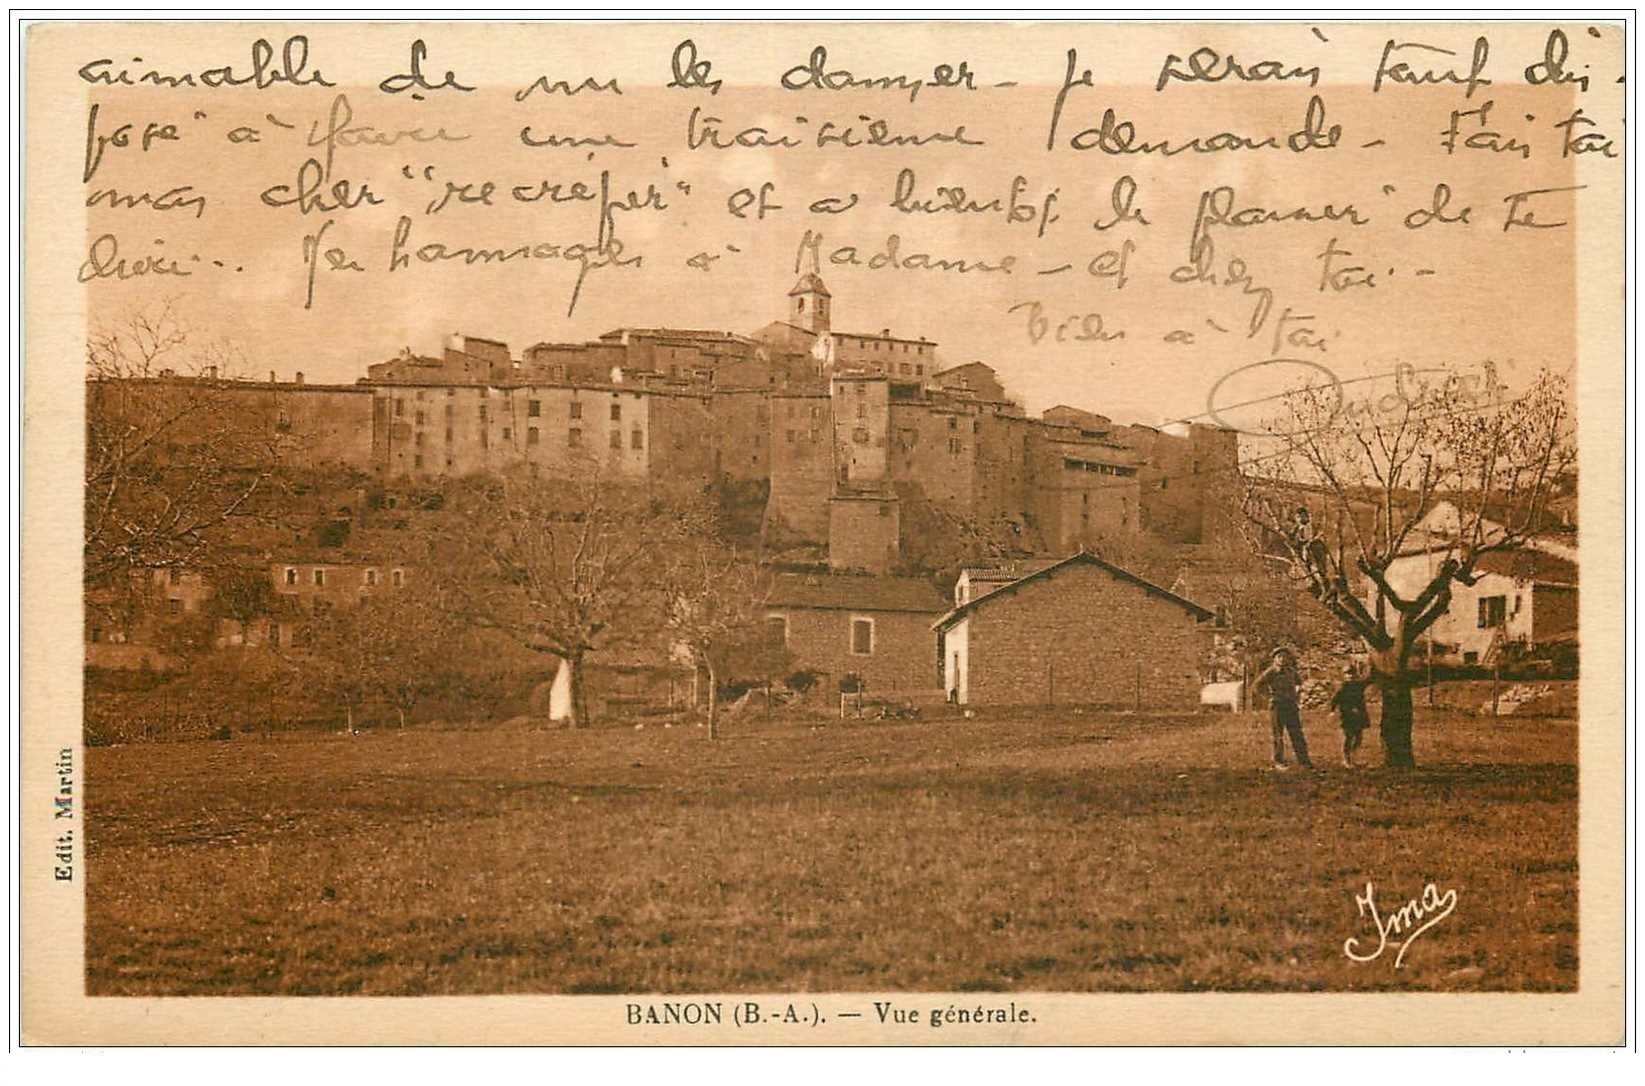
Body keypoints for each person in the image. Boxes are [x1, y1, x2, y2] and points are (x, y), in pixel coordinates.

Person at [1256, 646, 1312, 770]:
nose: (1282, 659)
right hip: (1277, 705)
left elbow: (1299, 682)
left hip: (1291, 705)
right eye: (1279, 657)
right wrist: (1268, 696)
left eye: (1285, 657)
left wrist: (1297, 692)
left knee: (1297, 733)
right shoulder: (1271, 672)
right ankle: (1279, 762)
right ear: (1274, 659)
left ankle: (1304, 761)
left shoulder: (1291, 671)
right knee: (1278, 735)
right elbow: (1258, 686)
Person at [1330, 663, 1371, 768]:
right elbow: (1335, 700)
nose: (1350, 676)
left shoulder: (1358, 685)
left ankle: (1354, 758)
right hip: (1347, 716)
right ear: (1344, 675)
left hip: (1359, 715)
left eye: (1352, 674)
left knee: (1359, 737)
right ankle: (1346, 759)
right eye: (1348, 674)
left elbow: (1368, 681)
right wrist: (1332, 711)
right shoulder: (1343, 687)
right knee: (1348, 737)